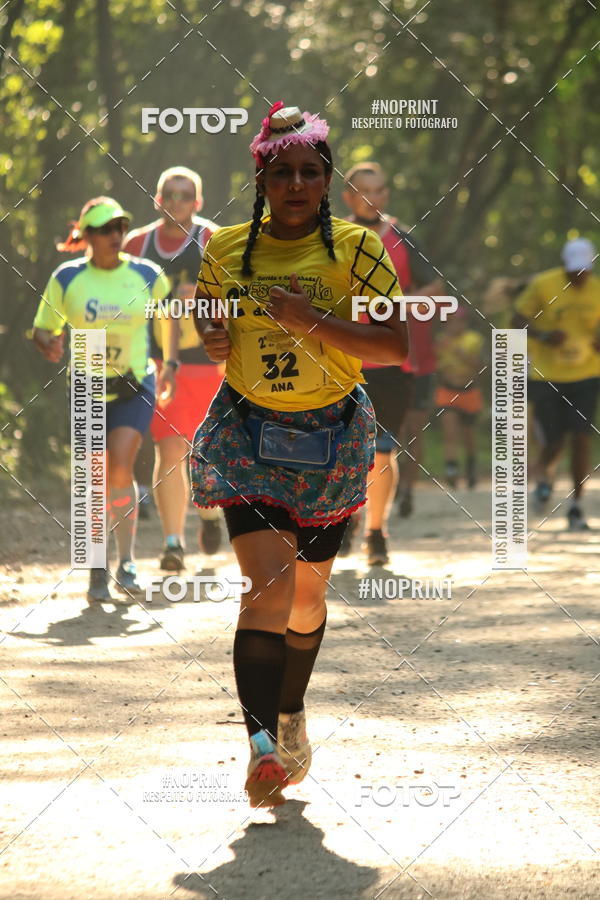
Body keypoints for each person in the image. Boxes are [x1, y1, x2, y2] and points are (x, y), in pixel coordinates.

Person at [190, 103, 408, 807]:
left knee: (307, 599)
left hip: (334, 439)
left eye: (309, 172)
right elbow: (207, 313)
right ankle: (259, 749)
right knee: (268, 588)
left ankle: (289, 714)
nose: (295, 184)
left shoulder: (356, 248)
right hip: (247, 434)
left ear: (326, 180)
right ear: (261, 178)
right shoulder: (224, 247)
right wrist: (212, 337)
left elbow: (395, 347)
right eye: (280, 172)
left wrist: (311, 320)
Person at [32, 197, 170, 602]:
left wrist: (173, 362)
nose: (115, 236)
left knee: (121, 467)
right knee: (93, 478)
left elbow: (171, 320)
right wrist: (49, 345)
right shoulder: (67, 278)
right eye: (106, 229)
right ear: (88, 236)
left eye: (120, 228)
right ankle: (96, 566)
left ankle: (126, 561)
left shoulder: (147, 273)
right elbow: (42, 329)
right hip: (87, 382)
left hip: (134, 383)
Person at [341, 161, 442, 564]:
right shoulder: (334, 236)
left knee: (382, 451)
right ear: (348, 196)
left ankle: (376, 532)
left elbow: (434, 287)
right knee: (346, 451)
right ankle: (346, 518)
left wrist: (399, 303)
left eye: (380, 190)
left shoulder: (402, 238)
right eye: (365, 191)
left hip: (393, 363)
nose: (375, 198)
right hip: (343, 361)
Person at [123, 167, 222, 571]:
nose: (177, 201)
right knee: (170, 447)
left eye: (185, 195)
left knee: (207, 451)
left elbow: (239, 299)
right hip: (157, 360)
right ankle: (173, 544)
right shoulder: (136, 243)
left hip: (207, 360)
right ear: (157, 199)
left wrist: (200, 297)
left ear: (197, 203)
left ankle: (210, 513)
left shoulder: (212, 240)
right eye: (170, 193)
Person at [513, 238, 600, 530]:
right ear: (564, 265)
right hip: (546, 375)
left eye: (585, 271)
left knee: (581, 438)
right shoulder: (543, 285)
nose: (580, 276)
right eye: (575, 271)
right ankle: (545, 476)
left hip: (586, 373)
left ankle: (576, 506)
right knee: (554, 441)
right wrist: (543, 336)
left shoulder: (597, 289)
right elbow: (517, 319)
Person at [434, 307, 485, 488]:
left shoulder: (474, 340)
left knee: (469, 435)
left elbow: (481, 366)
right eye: (451, 322)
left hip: (470, 393)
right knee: (450, 431)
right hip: (447, 392)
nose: (456, 326)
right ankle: (451, 469)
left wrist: (459, 353)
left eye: (459, 321)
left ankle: (471, 469)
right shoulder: (440, 341)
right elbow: (435, 365)